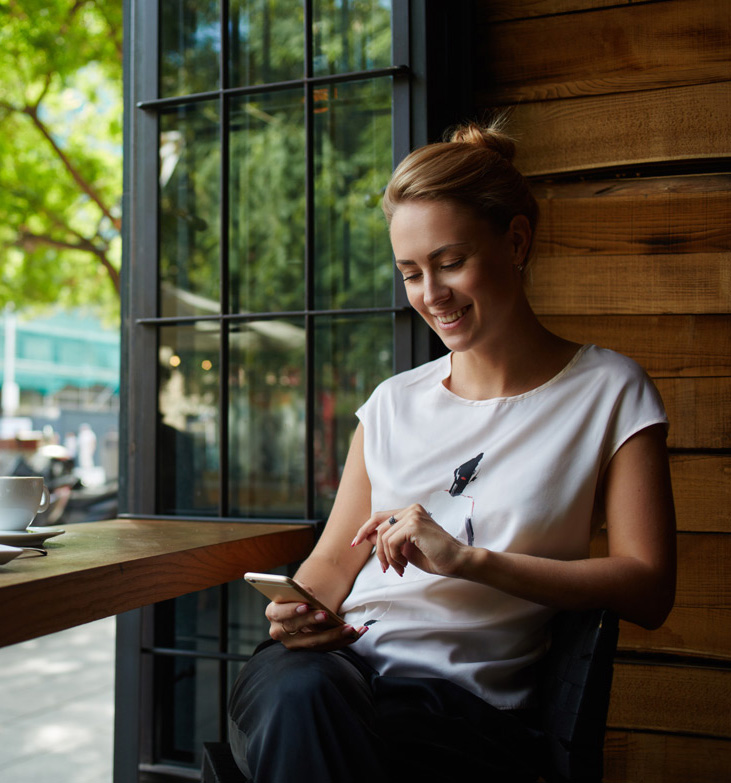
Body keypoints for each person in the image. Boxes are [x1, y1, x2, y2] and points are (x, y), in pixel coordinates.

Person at [227, 119, 676, 783]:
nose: (429, 294)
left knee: (321, 727)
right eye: (410, 272)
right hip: (330, 674)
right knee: (302, 693)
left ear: (516, 240)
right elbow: (332, 559)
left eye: (449, 262)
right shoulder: (390, 403)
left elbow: (647, 585)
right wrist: (298, 612)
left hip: (464, 709)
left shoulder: (607, 390)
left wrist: (468, 560)